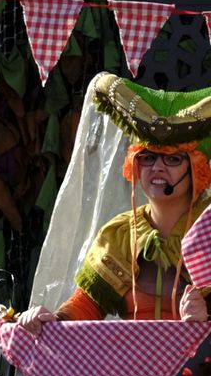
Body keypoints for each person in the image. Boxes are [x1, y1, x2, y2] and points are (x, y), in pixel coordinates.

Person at [15, 140, 211, 334]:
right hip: (133, 363)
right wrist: (49, 320)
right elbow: (88, 305)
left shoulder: (207, 228)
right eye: (148, 157)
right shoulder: (120, 234)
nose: (157, 167)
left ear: (196, 165)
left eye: (173, 159)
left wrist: (207, 315)